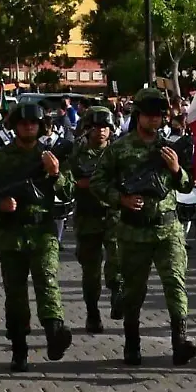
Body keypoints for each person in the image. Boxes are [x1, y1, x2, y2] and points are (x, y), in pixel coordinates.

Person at [90, 88, 196, 367]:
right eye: (149, 115)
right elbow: (98, 183)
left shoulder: (169, 147)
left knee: (176, 284)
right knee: (134, 292)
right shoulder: (119, 149)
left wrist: (176, 169)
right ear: (138, 115)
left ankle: (180, 341)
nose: (154, 120)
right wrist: (121, 199)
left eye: (159, 116)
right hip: (133, 231)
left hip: (168, 229)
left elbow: (187, 185)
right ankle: (132, 343)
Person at [0, 103, 74, 372]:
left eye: (34, 123)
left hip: (42, 231)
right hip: (11, 233)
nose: (29, 127)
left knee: (47, 282)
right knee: (15, 293)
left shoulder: (49, 156)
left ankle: (55, 333)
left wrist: (55, 174)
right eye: (24, 123)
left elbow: (67, 192)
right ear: (15, 126)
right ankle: (19, 349)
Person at [65, 106, 121, 334]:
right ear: (87, 129)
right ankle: (92, 312)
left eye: (106, 127)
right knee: (91, 271)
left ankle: (118, 295)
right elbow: (65, 181)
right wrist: (79, 185)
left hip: (114, 215)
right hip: (88, 217)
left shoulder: (119, 152)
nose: (102, 132)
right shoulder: (75, 154)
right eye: (97, 127)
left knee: (117, 258)